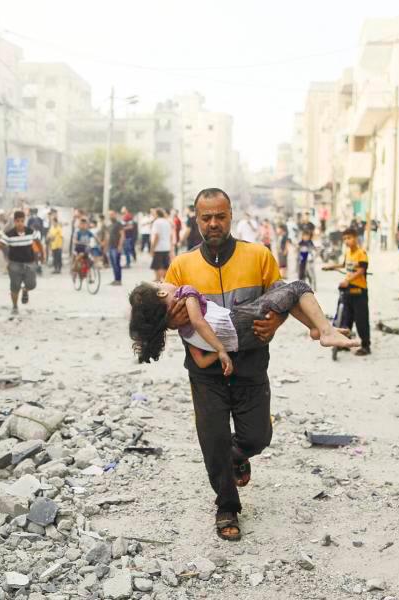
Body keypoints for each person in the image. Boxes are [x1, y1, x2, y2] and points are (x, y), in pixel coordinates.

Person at [160, 187, 344, 542]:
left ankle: (237, 455)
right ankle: (227, 506)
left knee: (257, 437)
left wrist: (276, 323)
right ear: (196, 219)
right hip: (205, 371)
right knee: (211, 438)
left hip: (251, 363)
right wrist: (170, 320)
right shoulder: (181, 266)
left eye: (220, 216)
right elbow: (168, 316)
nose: (213, 224)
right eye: (206, 217)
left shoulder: (258, 255)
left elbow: (284, 299)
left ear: (231, 215)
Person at [129, 280, 357, 371]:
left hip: (242, 341)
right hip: (242, 322)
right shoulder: (186, 295)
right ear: (162, 292)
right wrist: (220, 349)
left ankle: (315, 327)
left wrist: (225, 348)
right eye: (159, 282)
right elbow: (200, 321)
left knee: (279, 285)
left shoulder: (183, 330)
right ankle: (326, 332)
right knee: (297, 287)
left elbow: (199, 359)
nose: (164, 280)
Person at [324, 228, 371, 356]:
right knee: (346, 318)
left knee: (361, 320)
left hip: (359, 291)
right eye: (344, 239)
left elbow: (361, 271)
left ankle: (366, 346)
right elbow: (343, 265)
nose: (347, 241)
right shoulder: (348, 252)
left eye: (349, 238)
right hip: (348, 289)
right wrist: (331, 267)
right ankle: (345, 344)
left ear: (355, 238)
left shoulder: (362, 253)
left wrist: (348, 280)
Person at [0, 210, 43, 314]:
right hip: (14, 263)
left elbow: (38, 243)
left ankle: (25, 290)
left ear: (24, 221)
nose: (20, 223)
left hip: (29, 263)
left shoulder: (31, 232)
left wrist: (43, 255)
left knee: (32, 284)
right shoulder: (9, 234)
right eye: (18, 221)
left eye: (22, 221)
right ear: (14, 221)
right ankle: (15, 306)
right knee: (15, 286)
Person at [150, 208, 172, 281]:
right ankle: (165, 280)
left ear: (157, 214)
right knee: (165, 266)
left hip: (158, 248)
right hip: (166, 247)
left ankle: (158, 280)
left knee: (158, 266)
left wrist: (152, 248)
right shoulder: (167, 222)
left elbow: (156, 236)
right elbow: (170, 236)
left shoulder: (157, 222)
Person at [107, 211, 125, 286]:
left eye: (112, 215)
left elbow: (122, 235)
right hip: (110, 247)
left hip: (116, 247)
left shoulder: (119, 224)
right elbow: (108, 237)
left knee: (117, 263)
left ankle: (119, 280)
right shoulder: (110, 225)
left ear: (115, 215)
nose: (111, 216)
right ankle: (115, 280)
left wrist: (120, 246)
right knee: (113, 264)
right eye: (110, 215)